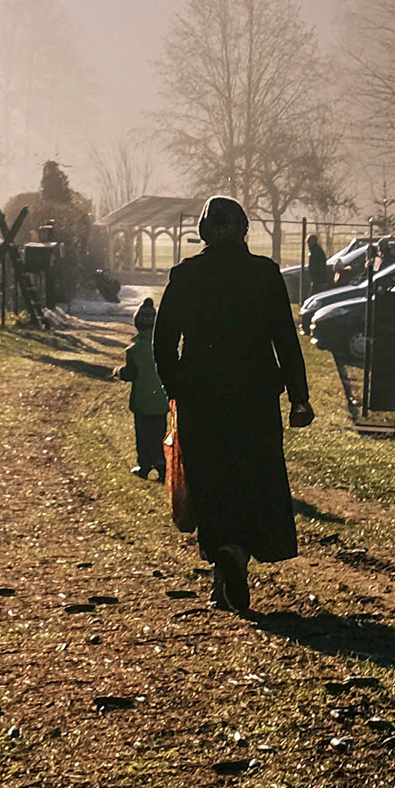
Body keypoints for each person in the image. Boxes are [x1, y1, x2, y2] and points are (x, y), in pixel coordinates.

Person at [151, 196, 313, 614]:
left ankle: (223, 558)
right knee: (253, 477)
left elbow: (162, 342)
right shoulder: (265, 275)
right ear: (244, 231)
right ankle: (238, 553)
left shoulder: (186, 276)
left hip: (201, 399)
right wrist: (299, 397)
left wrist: (177, 387)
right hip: (255, 397)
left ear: (203, 232)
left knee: (211, 481)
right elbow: (285, 340)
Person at [124, 298, 171, 479]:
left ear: (137, 324)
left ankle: (144, 465)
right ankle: (160, 462)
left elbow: (130, 374)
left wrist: (118, 372)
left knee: (143, 434)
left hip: (142, 401)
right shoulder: (163, 346)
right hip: (160, 400)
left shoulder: (134, 350)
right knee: (159, 432)